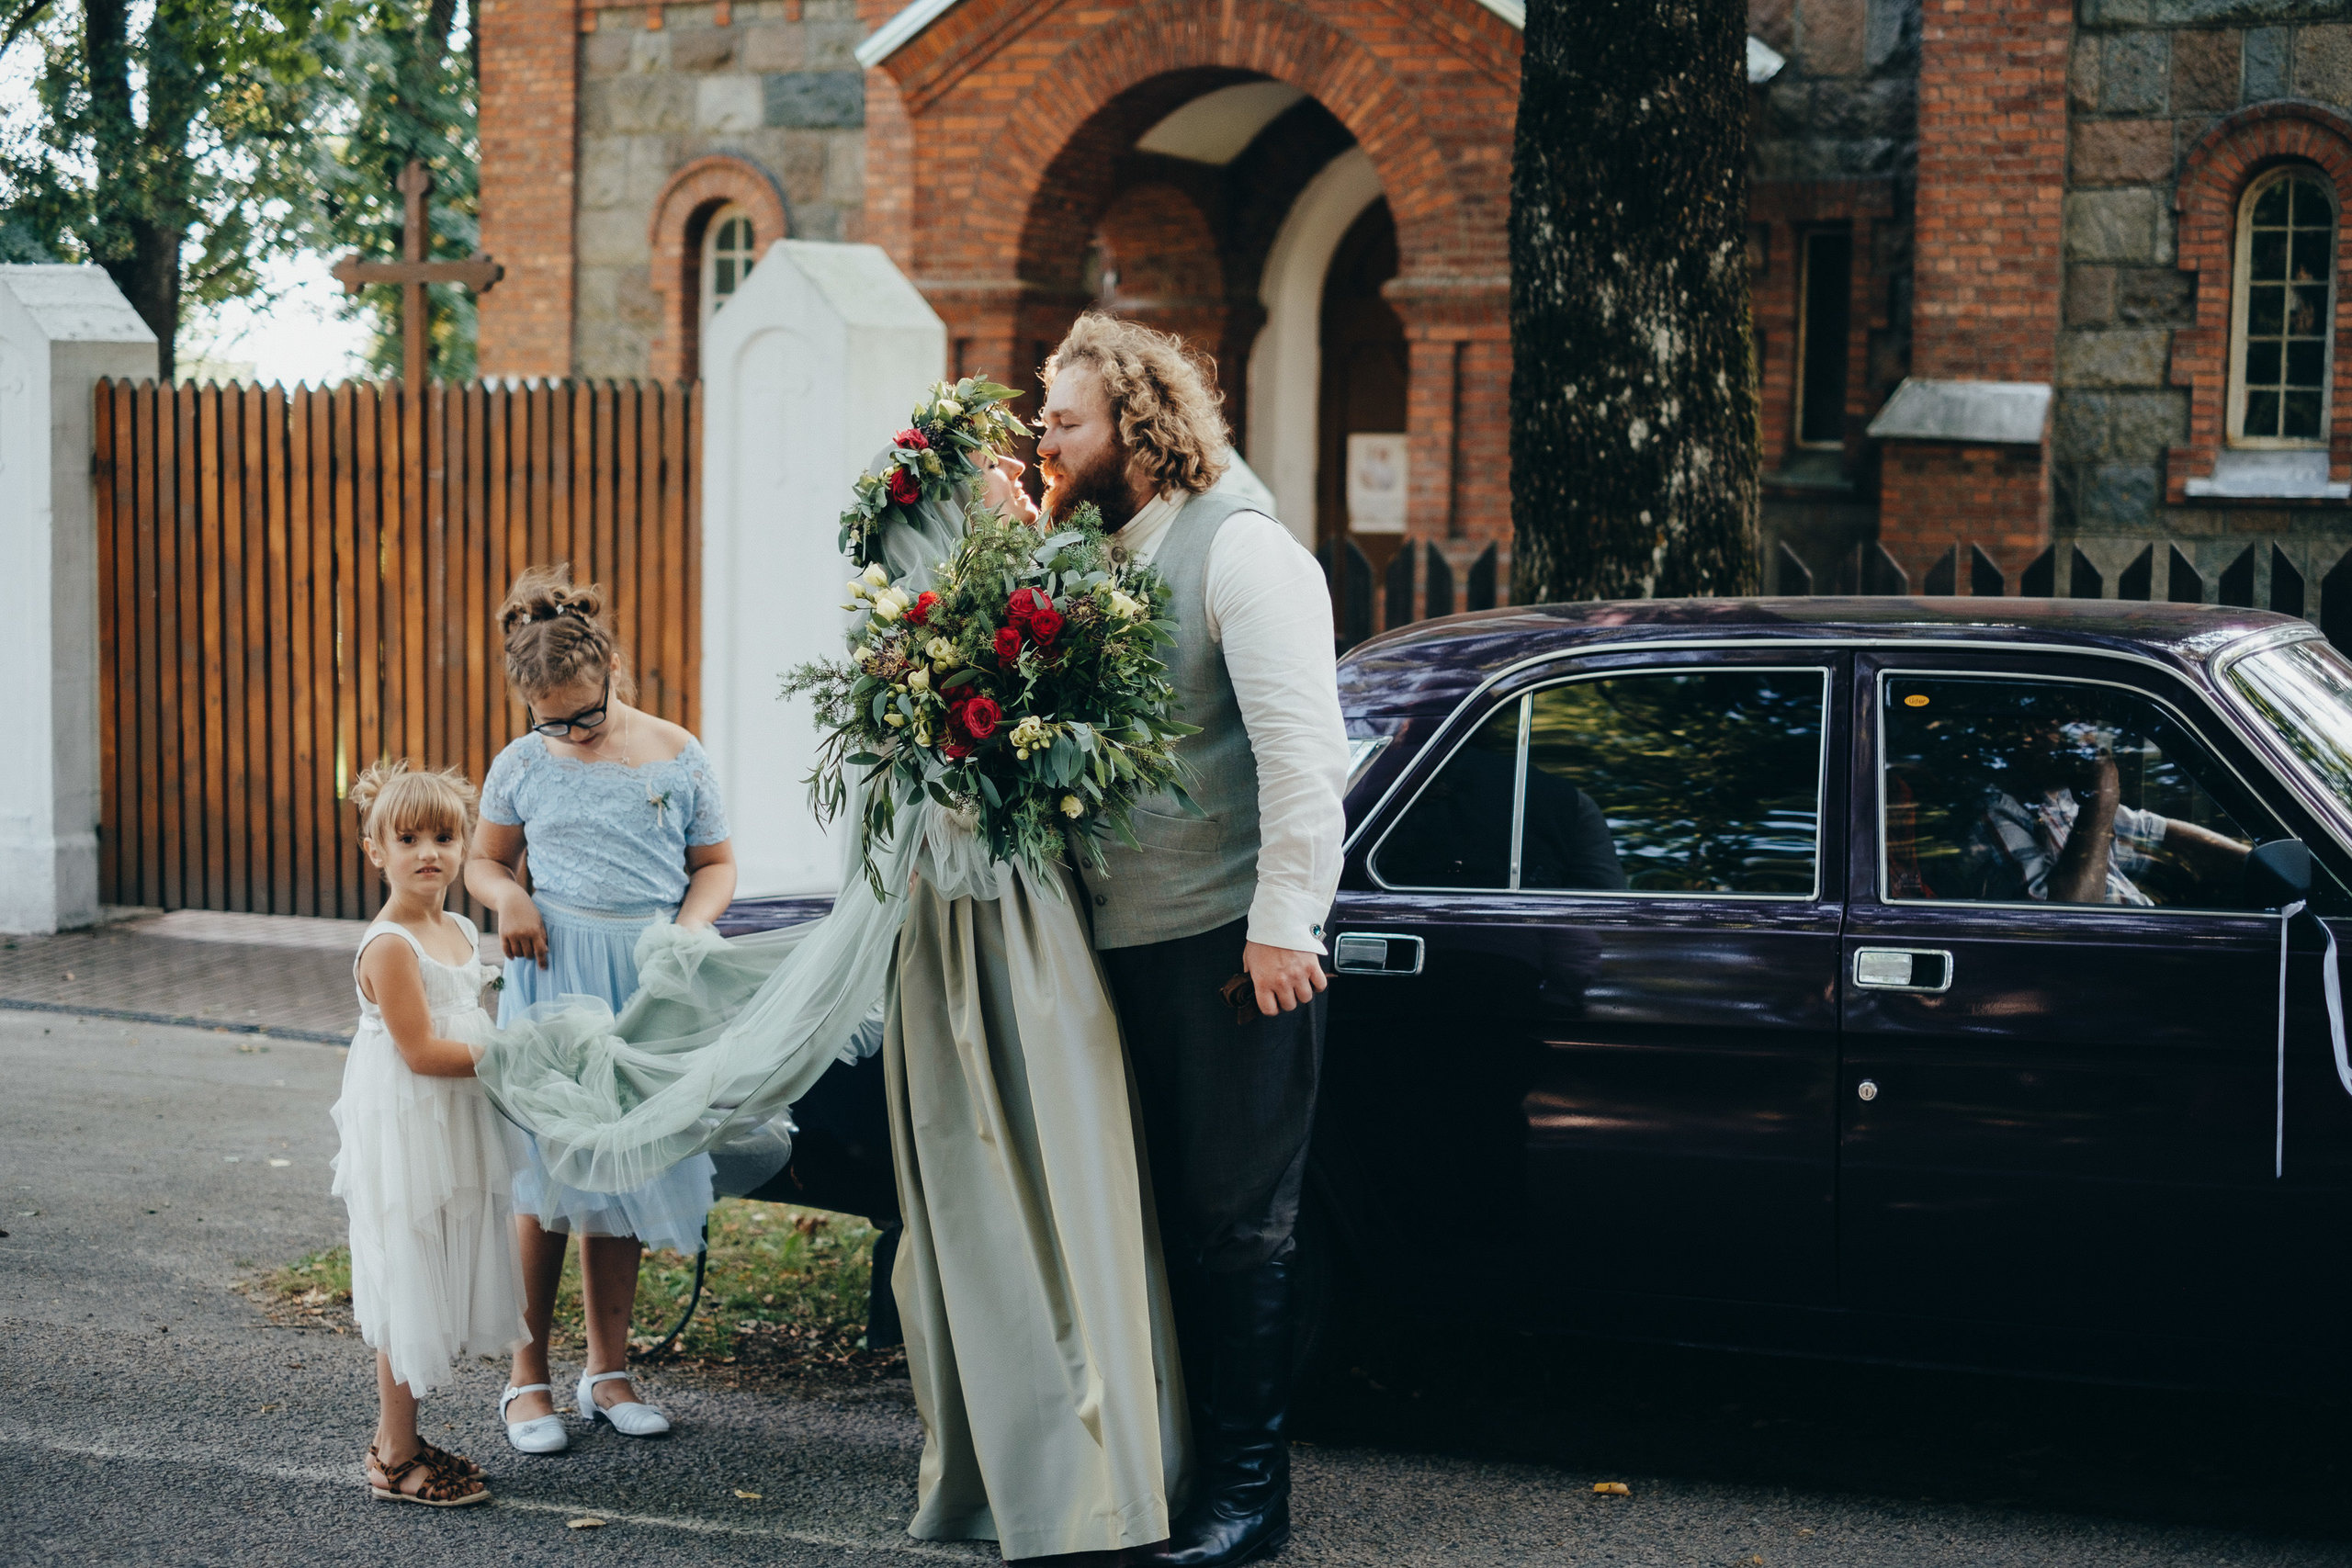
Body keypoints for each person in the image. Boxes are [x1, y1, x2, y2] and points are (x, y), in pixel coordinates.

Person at [1035, 315, 1351, 1568]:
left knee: (1237, 1225)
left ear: (1137, 425)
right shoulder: (1096, 554)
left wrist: (1283, 928)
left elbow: (1306, 760)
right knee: (1153, 1216)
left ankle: (1248, 1499)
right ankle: (1161, 1476)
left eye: (1065, 420)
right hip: (1119, 944)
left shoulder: (1244, 551)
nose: (1045, 439)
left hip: (1231, 949)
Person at [464, 565, 739, 1453]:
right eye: (553, 722)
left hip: (646, 980)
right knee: (547, 1176)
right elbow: (484, 863)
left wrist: (689, 931)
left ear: (613, 665)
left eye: (585, 714)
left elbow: (716, 865)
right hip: (553, 981)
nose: (572, 734)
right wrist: (508, 898)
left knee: (621, 1168)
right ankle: (526, 1377)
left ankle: (608, 1371)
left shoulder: (677, 751)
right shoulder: (521, 764)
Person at [331, 761, 525, 1507]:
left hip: (454, 1120)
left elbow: (470, 1021)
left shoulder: (460, 929)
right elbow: (422, 1052)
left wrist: (502, 1047)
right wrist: (513, 1058)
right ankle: (393, 1449)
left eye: (444, 836)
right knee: (406, 1270)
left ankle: (406, 1437)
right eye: (407, 838)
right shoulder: (390, 944)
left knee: (443, 1257)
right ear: (375, 848)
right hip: (409, 1119)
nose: (427, 852)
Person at [1962, 718, 2250, 907]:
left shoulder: (2063, 802)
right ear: (2029, 734)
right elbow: (2066, 919)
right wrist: (2102, 798)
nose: (2087, 739)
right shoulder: (1996, 815)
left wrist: (2255, 864)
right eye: (2063, 727)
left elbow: (2159, 833)